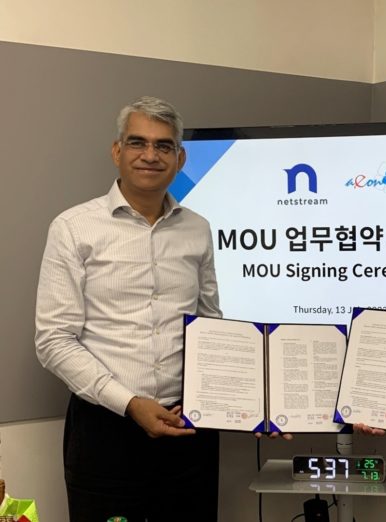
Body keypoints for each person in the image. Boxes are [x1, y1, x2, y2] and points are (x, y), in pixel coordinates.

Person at [35, 96, 223, 521]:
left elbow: (210, 324)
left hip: (188, 427)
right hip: (105, 430)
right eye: (138, 143)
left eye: (164, 145)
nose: (150, 155)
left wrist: (252, 405)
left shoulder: (198, 229)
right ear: (117, 151)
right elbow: (53, 340)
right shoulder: (74, 228)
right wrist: (130, 403)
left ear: (180, 158)